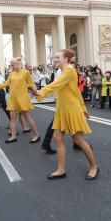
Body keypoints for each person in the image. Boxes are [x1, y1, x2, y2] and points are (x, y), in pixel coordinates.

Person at [34, 49, 99, 180]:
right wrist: (83, 106)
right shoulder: (65, 71)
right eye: (54, 57)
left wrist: (40, 93)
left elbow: (55, 85)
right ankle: (61, 169)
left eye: (58, 57)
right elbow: (74, 90)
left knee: (78, 140)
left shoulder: (69, 70)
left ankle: (94, 167)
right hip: (62, 109)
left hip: (71, 109)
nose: (55, 59)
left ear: (66, 58)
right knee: (57, 137)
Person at [0, 57, 40, 144]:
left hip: (22, 98)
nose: (11, 66)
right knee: (12, 118)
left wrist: (36, 93)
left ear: (18, 64)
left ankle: (36, 135)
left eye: (12, 65)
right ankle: (13, 136)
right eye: (10, 65)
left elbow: (31, 84)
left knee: (27, 117)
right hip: (13, 99)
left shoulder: (25, 72)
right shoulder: (12, 74)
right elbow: (6, 84)